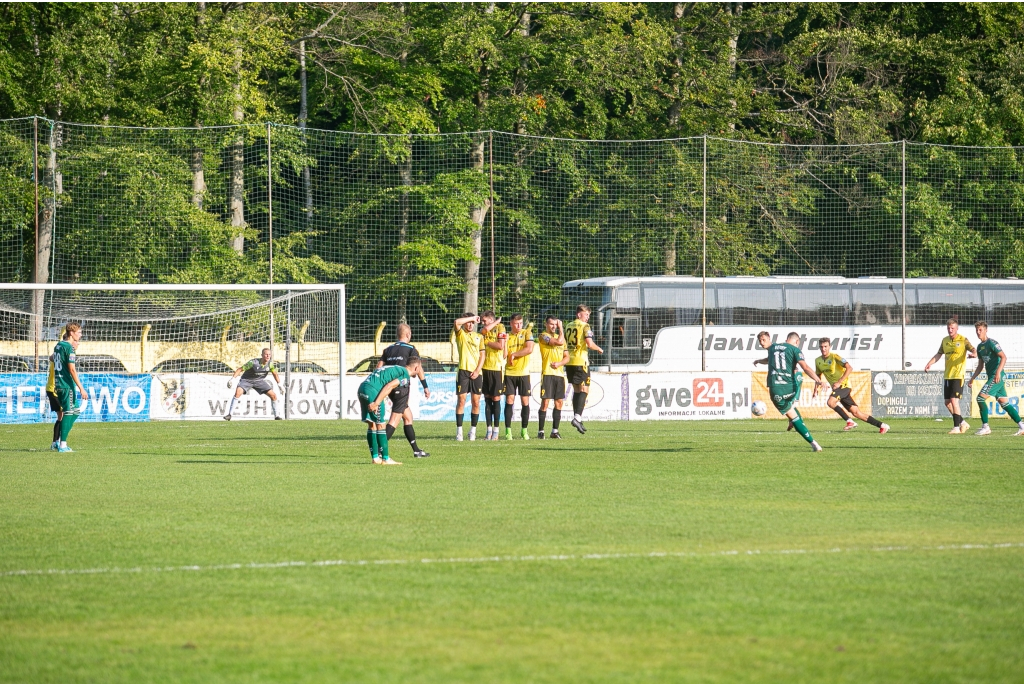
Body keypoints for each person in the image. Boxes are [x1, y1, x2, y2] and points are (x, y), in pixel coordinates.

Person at [754, 331, 825, 451]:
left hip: (776, 391)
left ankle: (813, 443)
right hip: (790, 388)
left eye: (763, 340)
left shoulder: (773, 348)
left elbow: (770, 358)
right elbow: (806, 367)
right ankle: (794, 403)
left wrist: (759, 361)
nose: (762, 343)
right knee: (798, 375)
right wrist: (818, 380)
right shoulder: (795, 350)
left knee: (792, 415)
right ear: (797, 342)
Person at [813, 337, 890, 434]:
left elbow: (849, 368)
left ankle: (849, 421)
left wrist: (839, 381)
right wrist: (815, 390)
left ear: (829, 346)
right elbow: (818, 376)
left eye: (825, 346)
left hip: (844, 386)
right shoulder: (818, 361)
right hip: (838, 389)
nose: (823, 349)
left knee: (830, 402)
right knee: (856, 412)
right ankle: (882, 425)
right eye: (821, 347)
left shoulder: (835, 357)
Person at [376, 323, 430, 457]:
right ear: (408, 335)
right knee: (394, 419)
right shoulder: (411, 349)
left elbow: (379, 367)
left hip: (389, 387)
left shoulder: (388, 349)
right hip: (402, 386)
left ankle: (416, 450)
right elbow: (418, 368)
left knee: (408, 417)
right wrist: (425, 386)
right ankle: (379, 450)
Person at [358, 356, 422, 465]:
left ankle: (375, 458)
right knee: (381, 425)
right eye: (420, 368)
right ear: (416, 368)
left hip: (362, 388)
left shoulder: (395, 367)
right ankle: (386, 459)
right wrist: (377, 402)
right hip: (373, 391)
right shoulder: (405, 375)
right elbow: (389, 386)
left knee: (372, 425)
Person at [969, 321, 1024, 436]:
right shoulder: (979, 347)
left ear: (986, 330)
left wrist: (998, 373)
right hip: (994, 376)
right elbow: (980, 366)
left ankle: (986, 427)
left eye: (980, 330)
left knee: (980, 398)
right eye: (977, 330)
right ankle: (1022, 426)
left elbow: (1004, 357)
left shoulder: (992, 343)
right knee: (1004, 403)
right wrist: (972, 378)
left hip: (996, 376)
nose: (978, 332)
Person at [924, 318, 976, 434]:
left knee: (954, 400)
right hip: (948, 375)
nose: (950, 330)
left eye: (952, 328)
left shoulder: (963, 340)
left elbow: (973, 349)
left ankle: (956, 427)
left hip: (958, 374)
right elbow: (939, 354)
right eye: (948, 328)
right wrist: (929, 363)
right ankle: (963, 423)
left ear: (957, 329)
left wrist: (974, 354)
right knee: (947, 402)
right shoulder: (945, 341)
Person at [564, 304, 603, 434]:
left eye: (588, 315)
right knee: (585, 389)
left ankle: (577, 418)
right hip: (581, 361)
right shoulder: (585, 326)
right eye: (586, 315)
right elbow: (589, 343)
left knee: (576, 390)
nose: (587, 318)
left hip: (570, 361)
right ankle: (577, 417)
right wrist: (599, 348)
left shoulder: (568, 325)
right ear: (579, 314)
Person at [50, 323, 89, 453]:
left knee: (76, 411)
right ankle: (63, 444)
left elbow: (52, 358)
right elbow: (72, 369)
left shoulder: (58, 345)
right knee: (69, 412)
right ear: (71, 333)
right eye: (79, 332)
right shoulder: (69, 348)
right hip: (66, 385)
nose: (81, 335)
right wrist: (81, 388)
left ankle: (61, 439)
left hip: (59, 384)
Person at [225, 348, 283, 420]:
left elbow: (275, 374)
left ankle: (277, 416)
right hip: (247, 380)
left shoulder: (270, 364)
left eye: (269, 354)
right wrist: (232, 379)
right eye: (266, 354)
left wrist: (280, 385)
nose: (268, 356)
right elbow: (240, 369)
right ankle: (229, 415)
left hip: (259, 381)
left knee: (273, 395)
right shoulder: (253, 363)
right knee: (237, 393)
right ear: (262, 355)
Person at [453, 313, 485, 441]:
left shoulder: (479, 337)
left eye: (472, 323)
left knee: (476, 402)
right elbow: (456, 322)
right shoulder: (461, 335)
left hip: (477, 373)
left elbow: (482, 355)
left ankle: (473, 431)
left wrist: (477, 370)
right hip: (463, 372)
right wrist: (472, 318)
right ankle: (459, 432)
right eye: (468, 322)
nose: (470, 324)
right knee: (461, 401)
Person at [503, 314, 535, 440]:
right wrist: (504, 342)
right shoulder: (507, 336)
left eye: (521, 323)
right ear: (511, 323)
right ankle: (508, 431)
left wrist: (514, 354)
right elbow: (505, 355)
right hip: (509, 373)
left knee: (525, 401)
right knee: (509, 400)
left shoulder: (527, 333)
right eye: (516, 323)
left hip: (523, 373)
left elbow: (529, 349)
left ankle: (524, 430)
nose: (519, 325)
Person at [537, 315, 569, 439]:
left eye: (556, 324)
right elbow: (559, 342)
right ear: (546, 324)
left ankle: (554, 431)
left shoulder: (561, 338)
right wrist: (562, 328)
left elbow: (567, 357)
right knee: (545, 402)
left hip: (559, 375)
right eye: (551, 324)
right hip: (547, 373)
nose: (554, 326)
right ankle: (541, 431)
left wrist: (559, 363)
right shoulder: (543, 336)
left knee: (559, 403)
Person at [45, 327, 77, 450]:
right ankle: (58, 443)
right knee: (63, 415)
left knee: (63, 415)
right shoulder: (63, 354)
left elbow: (51, 357)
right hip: (55, 388)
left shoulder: (57, 354)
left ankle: (56, 443)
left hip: (54, 388)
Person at [479, 311, 507, 441]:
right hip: (485, 368)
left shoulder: (500, 328)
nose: (483, 323)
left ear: (491, 319)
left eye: (485, 320)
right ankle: (488, 430)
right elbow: (484, 330)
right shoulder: (486, 329)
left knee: (496, 398)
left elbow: (500, 346)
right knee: (487, 399)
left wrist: (486, 342)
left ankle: (496, 430)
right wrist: (492, 323)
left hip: (496, 368)